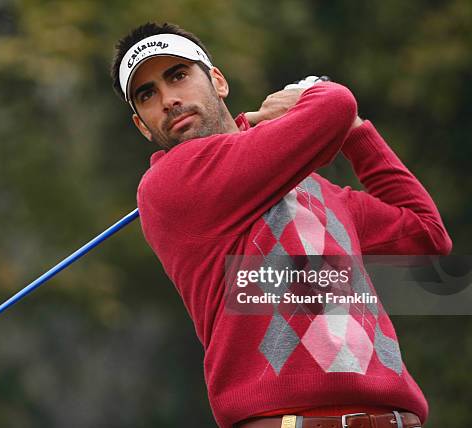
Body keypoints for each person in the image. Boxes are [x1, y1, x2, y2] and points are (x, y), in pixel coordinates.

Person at [110, 22, 452, 428]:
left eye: (178, 76)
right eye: (147, 95)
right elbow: (334, 104)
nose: (169, 100)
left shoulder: (319, 192)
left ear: (218, 81)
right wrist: (305, 99)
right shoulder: (171, 184)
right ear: (142, 126)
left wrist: (356, 132)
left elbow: (426, 234)